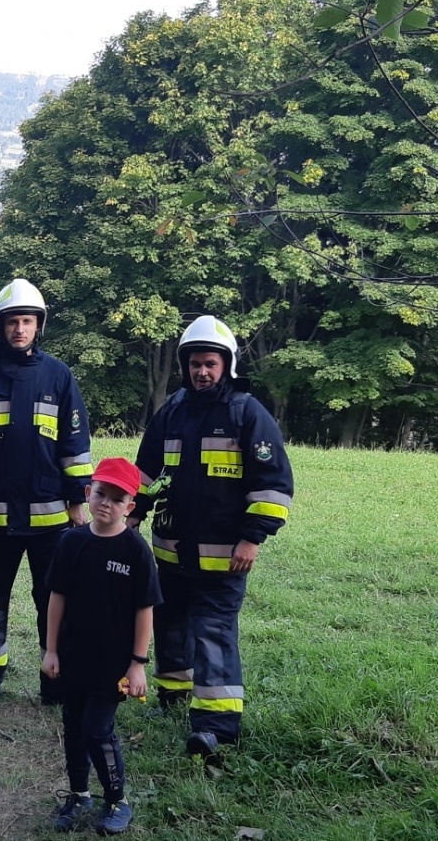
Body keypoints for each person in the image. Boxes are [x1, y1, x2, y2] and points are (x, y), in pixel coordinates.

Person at [129, 315, 293, 762]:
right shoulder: (174, 411)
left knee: (213, 633)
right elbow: (146, 473)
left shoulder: (247, 413)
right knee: (171, 626)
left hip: (226, 558)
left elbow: (274, 486)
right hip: (172, 551)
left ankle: (216, 726)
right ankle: (174, 700)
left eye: (210, 363)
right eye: (196, 363)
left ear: (226, 365)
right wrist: (133, 513)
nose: (202, 371)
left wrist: (252, 538)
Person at [0, 278, 93, 706]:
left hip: (51, 522)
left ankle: (56, 682)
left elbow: (75, 447)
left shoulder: (59, 376)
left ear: (38, 324)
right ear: (0, 326)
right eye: (12, 321)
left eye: (27, 321)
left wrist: (78, 500)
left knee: (55, 602)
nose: (20, 329)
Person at [42, 457, 160, 835]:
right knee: (74, 725)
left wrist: (138, 663)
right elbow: (56, 597)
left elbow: (145, 610)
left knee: (97, 728)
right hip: (73, 656)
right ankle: (79, 794)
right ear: (87, 493)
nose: (106, 502)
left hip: (113, 664)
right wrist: (51, 649)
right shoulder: (71, 541)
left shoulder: (136, 551)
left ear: (131, 506)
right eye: (100, 493)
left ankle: (116, 800)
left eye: (117, 497)